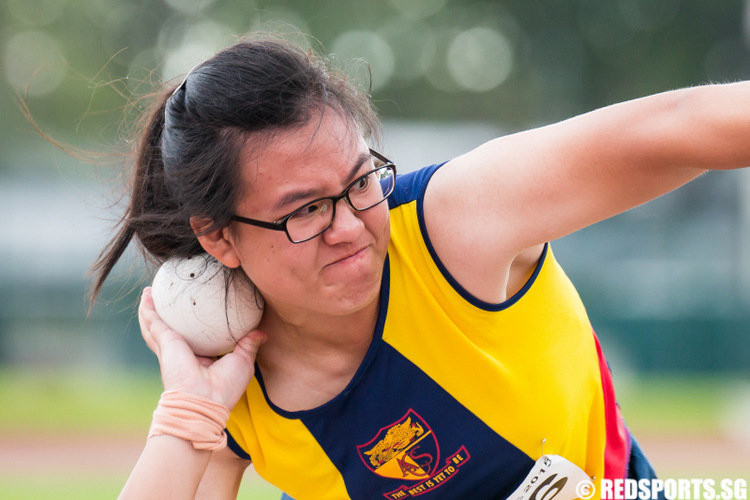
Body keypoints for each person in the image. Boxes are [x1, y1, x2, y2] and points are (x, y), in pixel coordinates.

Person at [90, 33, 750, 500]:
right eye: (306, 212)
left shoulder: (451, 225)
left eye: (358, 184)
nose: (350, 227)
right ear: (219, 240)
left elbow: (678, 126)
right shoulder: (229, 375)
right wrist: (187, 418)